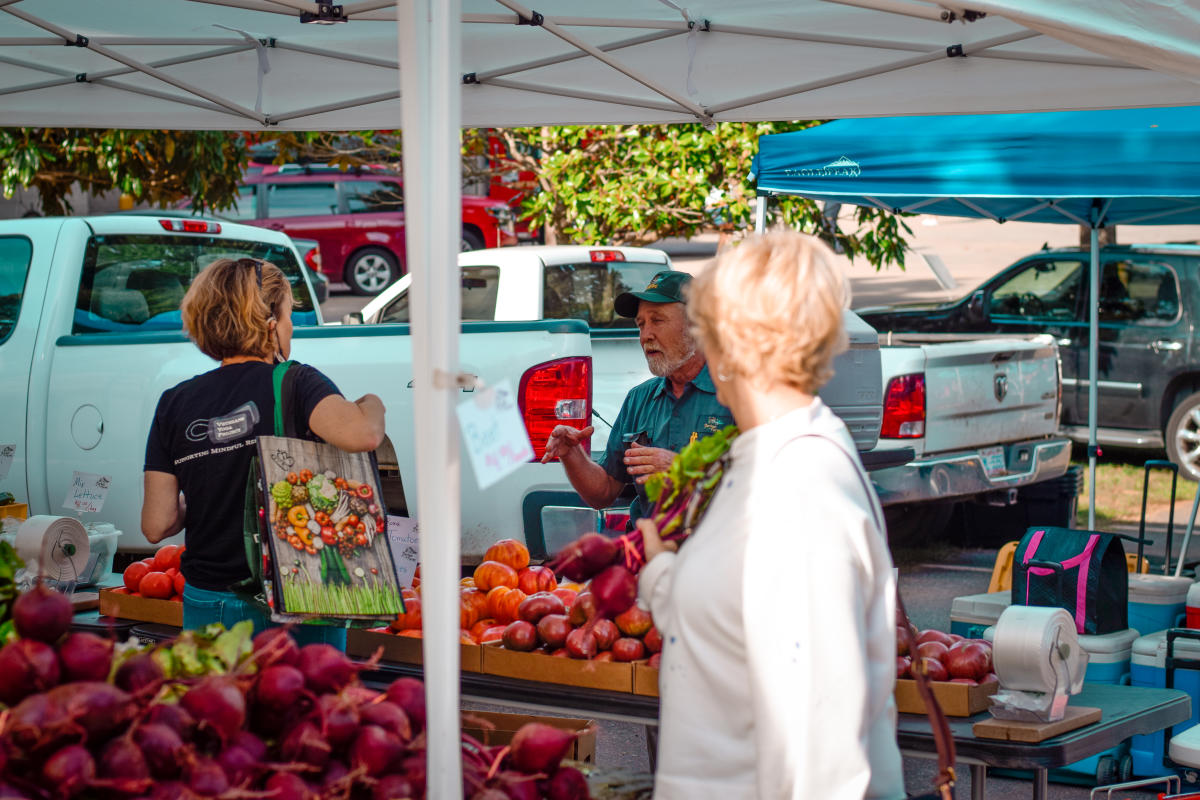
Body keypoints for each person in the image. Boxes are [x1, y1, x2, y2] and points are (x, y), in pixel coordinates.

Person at [636, 231, 905, 799]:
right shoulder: (763, 454)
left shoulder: (803, 484)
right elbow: (728, 620)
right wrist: (661, 568)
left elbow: (826, 751)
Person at [141, 257, 386, 647]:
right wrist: (372, 403)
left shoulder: (174, 402)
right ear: (270, 321)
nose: (292, 327)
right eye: (289, 314)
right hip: (294, 604)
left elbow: (157, 524)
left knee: (219, 709)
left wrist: (210, 492)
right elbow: (364, 434)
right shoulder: (296, 382)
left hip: (208, 604)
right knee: (300, 705)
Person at [542, 270, 732, 521]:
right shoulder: (639, 399)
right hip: (644, 551)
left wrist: (682, 470)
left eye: (657, 320)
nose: (645, 336)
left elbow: (762, 489)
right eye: (641, 324)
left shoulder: (737, 396)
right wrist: (571, 455)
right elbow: (604, 492)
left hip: (712, 551)